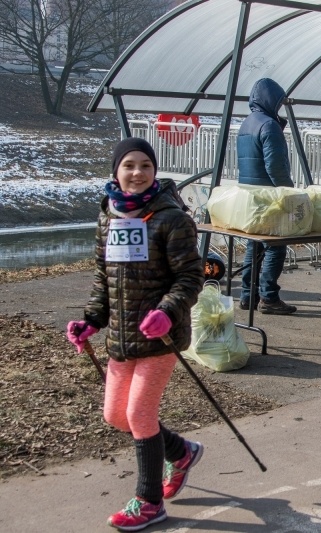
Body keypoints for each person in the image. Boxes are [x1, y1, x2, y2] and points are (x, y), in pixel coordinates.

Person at [66, 138, 206, 531]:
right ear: (116, 172)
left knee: (139, 413)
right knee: (115, 415)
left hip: (160, 336)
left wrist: (166, 311)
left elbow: (190, 277)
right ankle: (181, 452)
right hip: (121, 337)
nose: (138, 172)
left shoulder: (171, 217)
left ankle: (149, 501)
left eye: (146, 165)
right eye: (129, 165)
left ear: (154, 171)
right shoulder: (108, 216)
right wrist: (91, 321)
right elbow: (102, 278)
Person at [236, 77, 297, 314]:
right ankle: (269, 297)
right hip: (269, 196)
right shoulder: (269, 125)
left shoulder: (246, 124)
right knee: (276, 247)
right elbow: (275, 166)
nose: (280, 106)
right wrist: (289, 193)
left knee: (255, 246)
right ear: (271, 100)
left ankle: (247, 296)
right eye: (279, 101)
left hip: (250, 195)